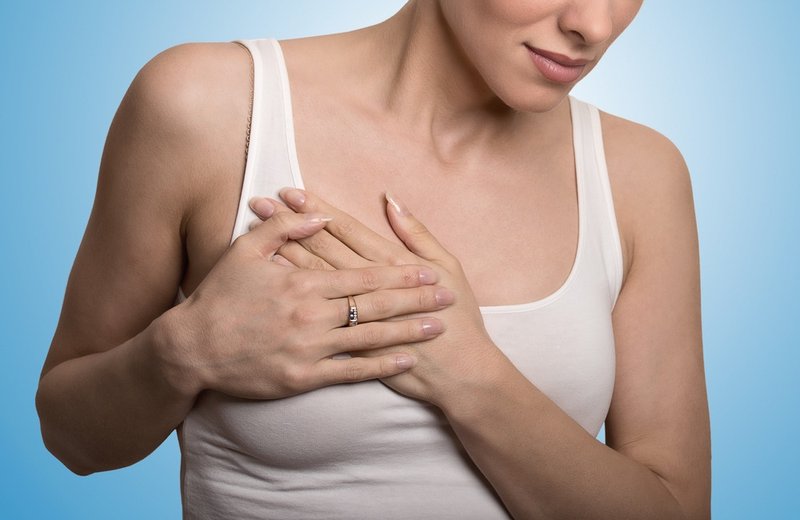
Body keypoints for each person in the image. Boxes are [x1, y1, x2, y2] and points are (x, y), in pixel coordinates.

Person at [35, 1, 711, 518]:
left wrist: (474, 379)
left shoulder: (638, 175)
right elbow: (72, 438)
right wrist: (179, 356)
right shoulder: (211, 109)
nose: (595, 25)